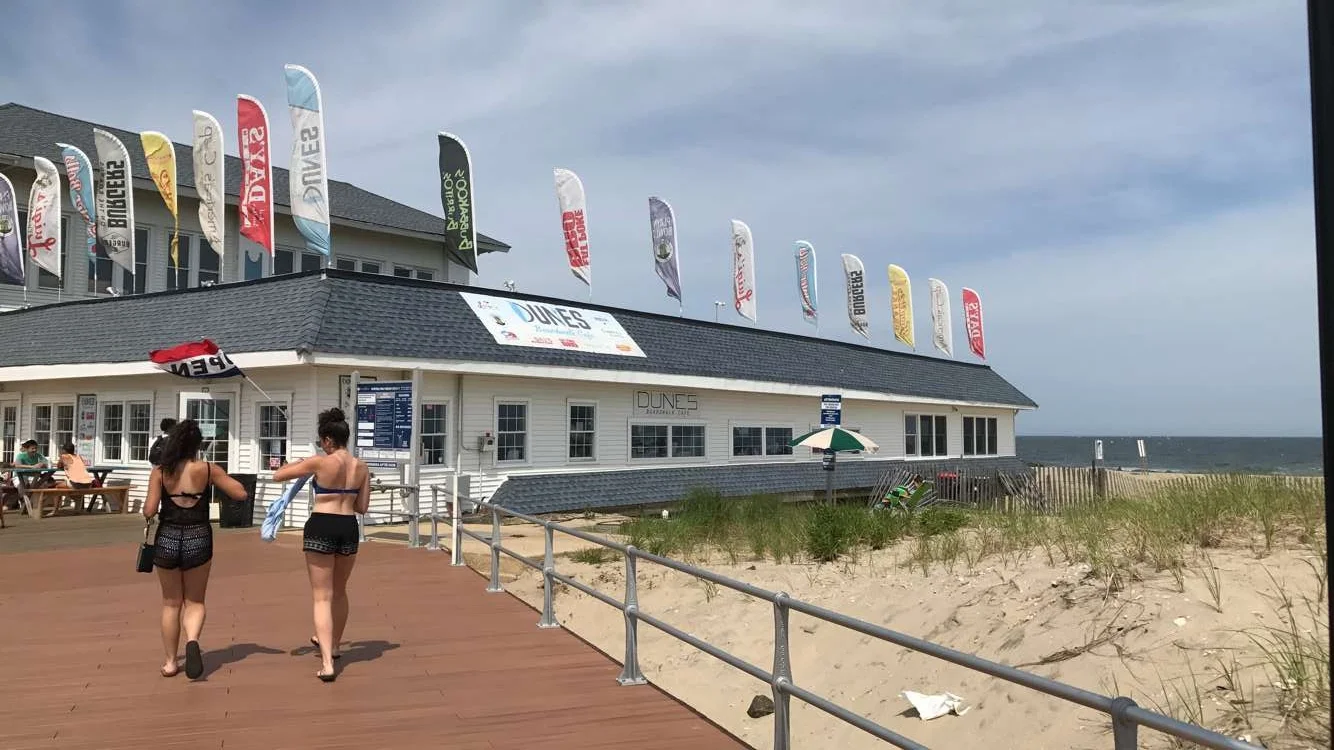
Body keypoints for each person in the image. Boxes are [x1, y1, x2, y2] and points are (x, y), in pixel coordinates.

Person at [143, 419, 248, 679]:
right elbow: (240, 493)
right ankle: (192, 640)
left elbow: (149, 510)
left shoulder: (160, 472)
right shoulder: (208, 469)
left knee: (170, 603)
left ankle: (170, 662)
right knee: (195, 601)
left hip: (168, 537)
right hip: (198, 536)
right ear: (196, 445)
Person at [272, 407, 370, 682]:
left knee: (321, 596)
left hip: (322, 525)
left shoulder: (319, 462)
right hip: (348, 526)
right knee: (339, 591)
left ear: (328, 440)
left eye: (321, 441)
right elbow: (362, 507)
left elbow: (278, 475)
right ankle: (335, 646)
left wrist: (298, 462)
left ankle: (327, 663)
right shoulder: (361, 467)